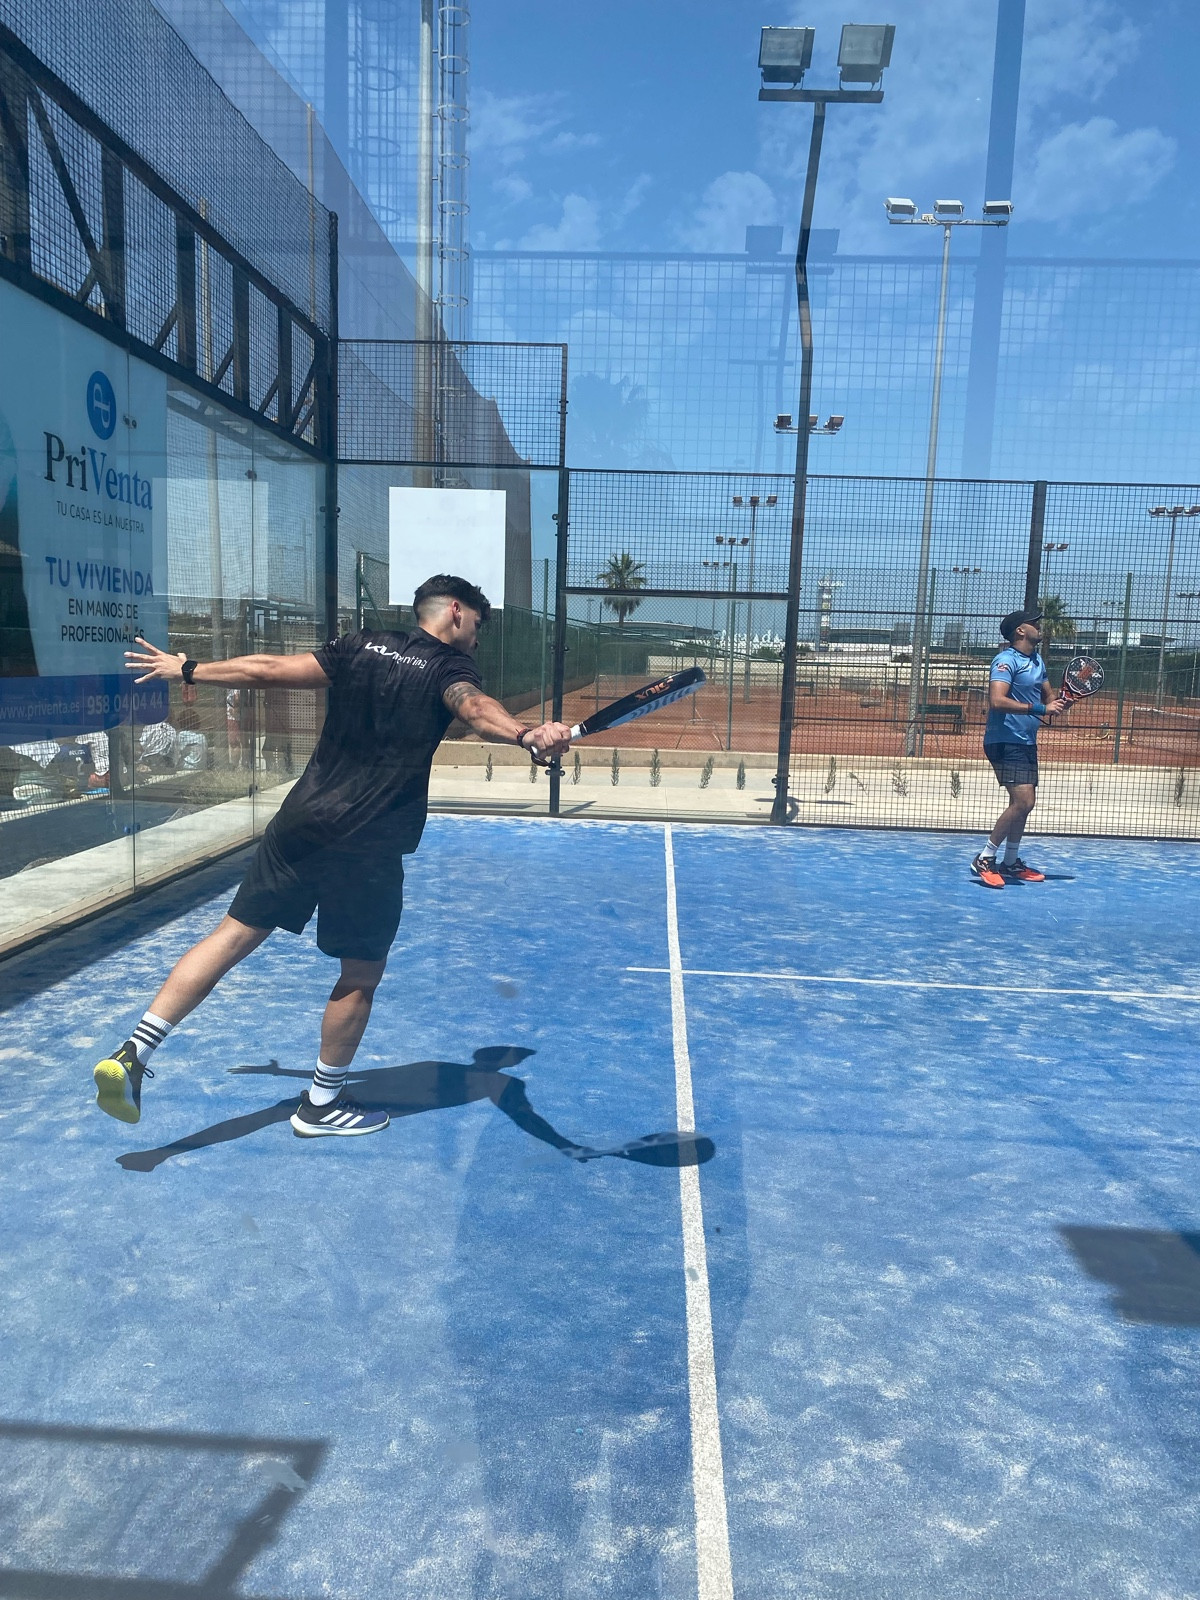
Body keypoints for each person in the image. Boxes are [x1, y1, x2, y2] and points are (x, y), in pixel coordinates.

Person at [92, 574, 572, 1138]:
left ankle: (134, 1051)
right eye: (478, 628)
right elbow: (474, 708)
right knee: (360, 974)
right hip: (367, 844)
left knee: (231, 936)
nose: (477, 640)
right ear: (457, 612)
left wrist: (189, 668)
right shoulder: (450, 667)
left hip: (300, 822)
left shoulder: (360, 644)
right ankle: (321, 1105)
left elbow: (267, 670)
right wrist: (524, 735)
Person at [970, 607, 1066, 888]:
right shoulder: (1005, 660)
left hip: (1026, 740)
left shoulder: (1037, 660)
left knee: (1025, 804)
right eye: (1034, 622)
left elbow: (1049, 697)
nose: (1039, 625)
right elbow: (997, 701)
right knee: (1023, 801)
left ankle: (1010, 862)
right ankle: (985, 858)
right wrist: (1041, 708)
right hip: (1004, 739)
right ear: (1020, 631)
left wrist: (1061, 702)